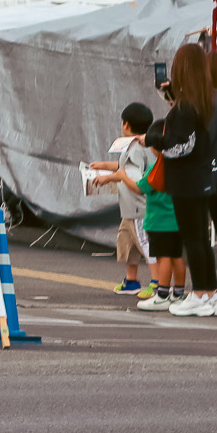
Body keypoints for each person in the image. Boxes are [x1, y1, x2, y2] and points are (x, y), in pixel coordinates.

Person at [143, 44, 217, 316]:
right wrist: (168, 93)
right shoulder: (202, 101)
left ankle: (199, 294)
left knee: (192, 239)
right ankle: (210, 293)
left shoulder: (186, 107)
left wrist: (151, 139)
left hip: (186, 181)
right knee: (200, 239)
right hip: (201, 179)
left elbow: (180, 146)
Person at [88, 102, 158, 295]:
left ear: (126, 125)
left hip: (138, 207)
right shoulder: (144, 144)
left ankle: (157, 282)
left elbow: (132, 177)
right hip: (130, 209)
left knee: (144, 243)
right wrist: (102, 165)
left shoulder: (135, 148)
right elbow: (123, 165)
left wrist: (110, 177)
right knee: (128, 243)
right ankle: (131, 280)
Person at [135, 118, 186, 312]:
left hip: (160, 222)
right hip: (178, 221)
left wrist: (120, 176)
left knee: (164, 257)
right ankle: (178, 293)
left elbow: (140, 188)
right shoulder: (181, 166)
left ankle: (162, 294)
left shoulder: (156, 169)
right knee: (177, 257)